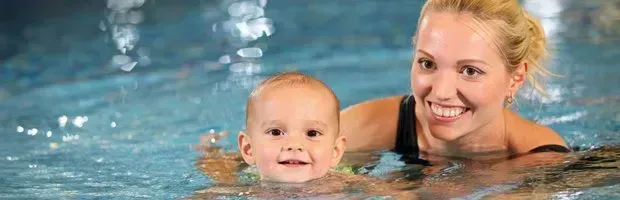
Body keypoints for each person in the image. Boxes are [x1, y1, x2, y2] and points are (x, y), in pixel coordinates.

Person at [339, 0, 572, 162]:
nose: (441, 91)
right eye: (428, 64)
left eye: (470, 71)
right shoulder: (359, 128)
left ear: (515, 79)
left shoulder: (541, 161)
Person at [193, 72, 418, 199]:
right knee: (218, 168)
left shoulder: (345, 183)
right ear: (248, 149)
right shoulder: (237, 187)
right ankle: (211, 149)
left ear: (335, 151)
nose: (294, 145)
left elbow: (398, 195)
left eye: (312, 133)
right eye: (276, 132)